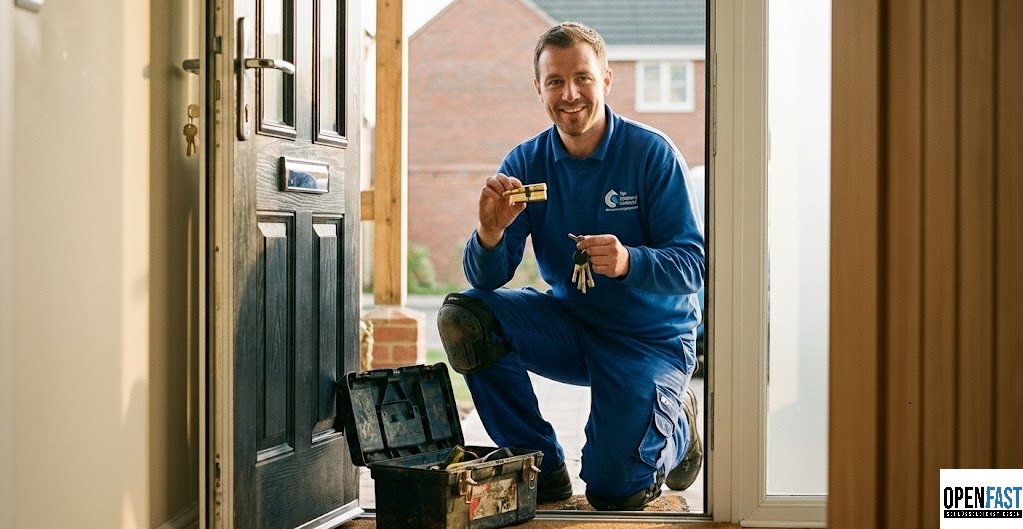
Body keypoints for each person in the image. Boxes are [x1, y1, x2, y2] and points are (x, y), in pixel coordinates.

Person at [437, 21, 705, 511]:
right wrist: (490, 235)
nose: (570, 93)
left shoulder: (652, 154)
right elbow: (487, 280)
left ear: (605, 80)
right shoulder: (526, 161)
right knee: (465, 317)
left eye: (582, 77)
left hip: (648, 342)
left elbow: (693, 266)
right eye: (555, 81)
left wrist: (629, 262)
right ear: (539, 88)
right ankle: (538, 465)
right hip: (570, 326)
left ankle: (678, 425)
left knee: (614, 490)